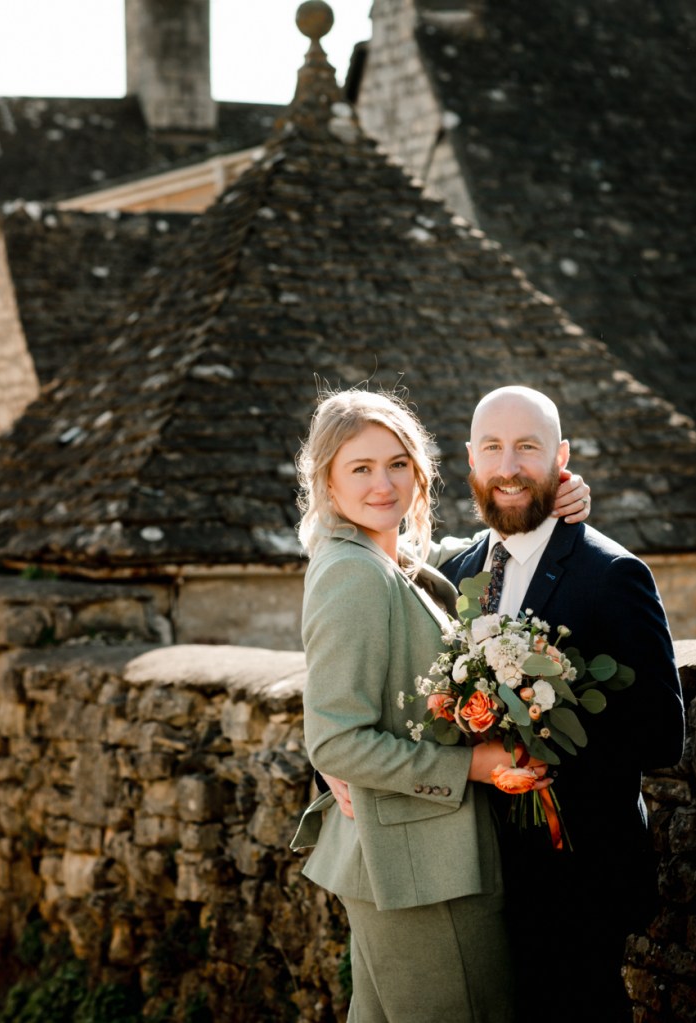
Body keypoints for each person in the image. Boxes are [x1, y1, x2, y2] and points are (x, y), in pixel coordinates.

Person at [290, 389, 586, 1023]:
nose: (383, 484)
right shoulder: (353, 573)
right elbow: (336, 741)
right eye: (360, 468)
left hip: (408, 860)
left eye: (397, 463)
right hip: (421, 870)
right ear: (328, 481)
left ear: (420, 470)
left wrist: (551, 496)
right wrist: (472, 767)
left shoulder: (387, 557)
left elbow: (461, 555)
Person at [436, 385, 686, 1021]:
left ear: (561, 458)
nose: (509, 465)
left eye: (528, 447)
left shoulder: (610, 574)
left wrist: (540, 730)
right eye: (493, 447)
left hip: (580, 874)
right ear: (471, 459)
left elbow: (662, 734)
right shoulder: (461, 569)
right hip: (484, 870)